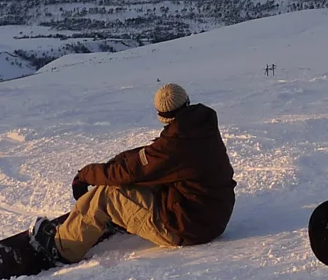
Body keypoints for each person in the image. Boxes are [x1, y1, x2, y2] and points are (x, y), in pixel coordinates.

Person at [29, 83, 236, 265]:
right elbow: (148, 158)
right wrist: (116, 161)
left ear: (163, 116)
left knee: (106, 195)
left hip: (188, 228)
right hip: (210, 215)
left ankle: (63, 248)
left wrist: (85, 175)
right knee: (139, 181)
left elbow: (130, 171)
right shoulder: (198, 128)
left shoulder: (175, 145)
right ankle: (118, 219)